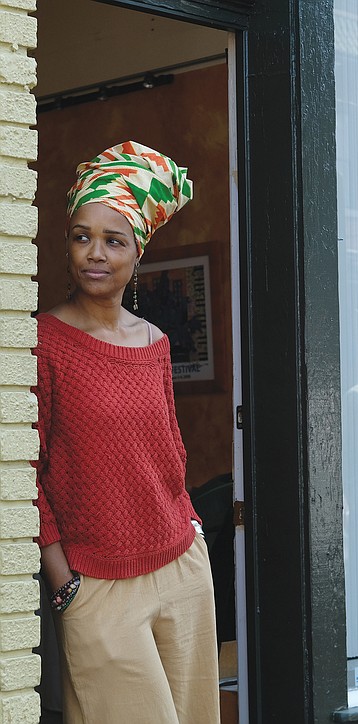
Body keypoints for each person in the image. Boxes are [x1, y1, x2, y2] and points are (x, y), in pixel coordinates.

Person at [32, 141, 220, 723]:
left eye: (114, 241)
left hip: (180, 567)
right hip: (96, 585)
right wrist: (63, 579)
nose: (95, 253)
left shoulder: (155, 342)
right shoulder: (41, 343)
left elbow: (169, 455)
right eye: (81, 235)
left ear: (138, 253)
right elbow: (23, 472)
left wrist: (189, 526)